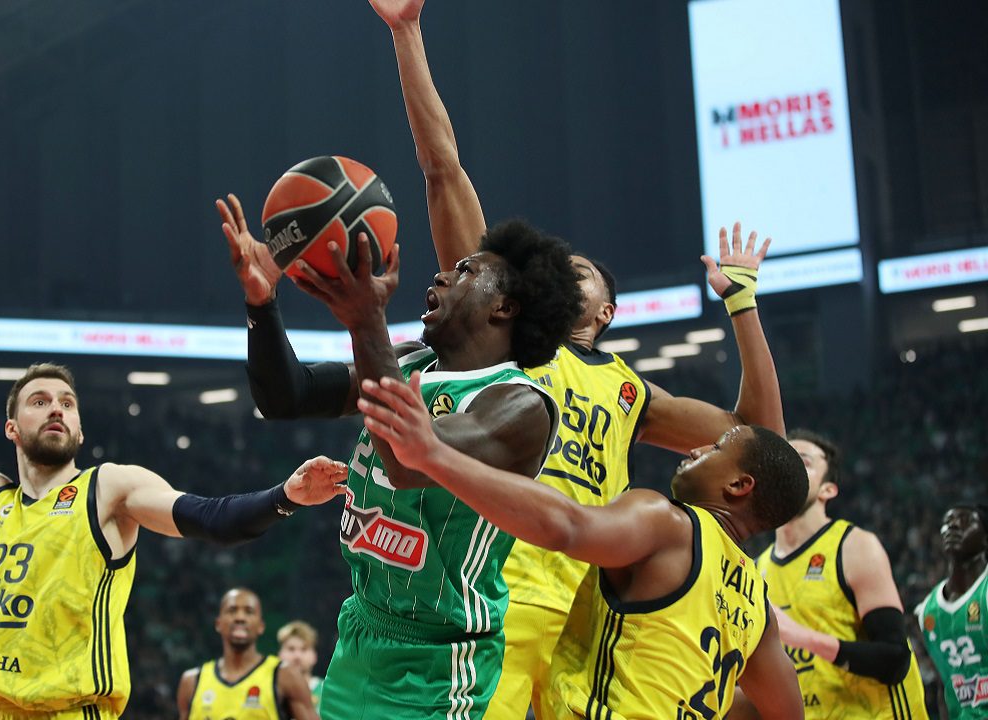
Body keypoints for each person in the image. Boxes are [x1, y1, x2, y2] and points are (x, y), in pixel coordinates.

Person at [363, 1, 787, 715]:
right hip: (497, 587)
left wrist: (742, 305)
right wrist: (407, 33)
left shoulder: (631, 393)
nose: (559, 268)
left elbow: (764, 445)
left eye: (578, 270)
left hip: (591, 614)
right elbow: (443, 172)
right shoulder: (511, 335)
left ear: (606, 311)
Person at [0, 219, 348, 720]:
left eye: (67, 403)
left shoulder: (108, 488)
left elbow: (210, 518)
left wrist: (284, 496)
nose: (56, 409)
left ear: (80, 430)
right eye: (39, 401)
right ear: (11, 428)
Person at [219, 193, 583, 718]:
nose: (441, 276)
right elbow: (287, 396)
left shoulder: (518, 405)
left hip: (438, 658)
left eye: (465, 271)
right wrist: (262, 303)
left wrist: (366, 320)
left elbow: (411, 461)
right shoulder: (412, 361)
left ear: (504, 308)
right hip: (361, 629)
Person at [357, 373, 808, 719]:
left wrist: (436, 456)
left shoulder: (669, 524)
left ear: (739, 485)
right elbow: (787, 713)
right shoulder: (757, 605)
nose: (695, 449)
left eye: (716, 448)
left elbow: (566, 527)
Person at [754, 430, 928, 719]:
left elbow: (895, 660)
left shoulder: (854, 546)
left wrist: (803, 637)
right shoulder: (755, 571)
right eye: (783, 459)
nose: (789, 467)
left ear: (828, 490)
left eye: (803, 461)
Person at [177, 588, 318, 720]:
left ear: (261, 626)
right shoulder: (192, 682)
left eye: (249, 612)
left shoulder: (285, 676)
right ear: (218, 624)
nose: (240, 617)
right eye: (232, 611)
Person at [914, 504, 988, 719]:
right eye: (948, 522)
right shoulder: (927, 612)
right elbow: (944, 686)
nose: (953, 526)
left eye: (966, 521)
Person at [277, 621, 325, 710]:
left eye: (304, 649)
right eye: (291, 649)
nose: (297, 656)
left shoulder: (327, 690)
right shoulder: (270, 690)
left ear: (314, 656)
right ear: (280, 655)